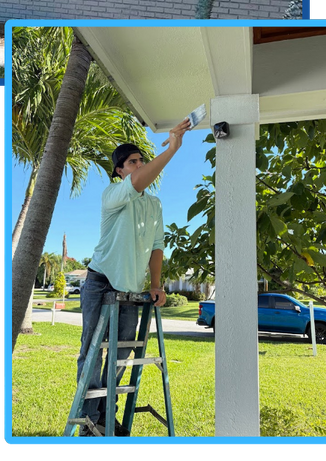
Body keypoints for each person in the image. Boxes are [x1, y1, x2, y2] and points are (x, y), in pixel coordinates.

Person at [77, 119, 191, 437]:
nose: (138, 165)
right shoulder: (113, 194)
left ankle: (104, 418)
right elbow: (139, 182)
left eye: (141, 159)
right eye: (132, 162)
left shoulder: (154, 205)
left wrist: (156, 284)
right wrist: (172, 148)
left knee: (121, 354)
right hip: (101, 281)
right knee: (93, 351)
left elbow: (156, 247)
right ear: (120, 171)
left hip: (130, 289)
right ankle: (88, 421)